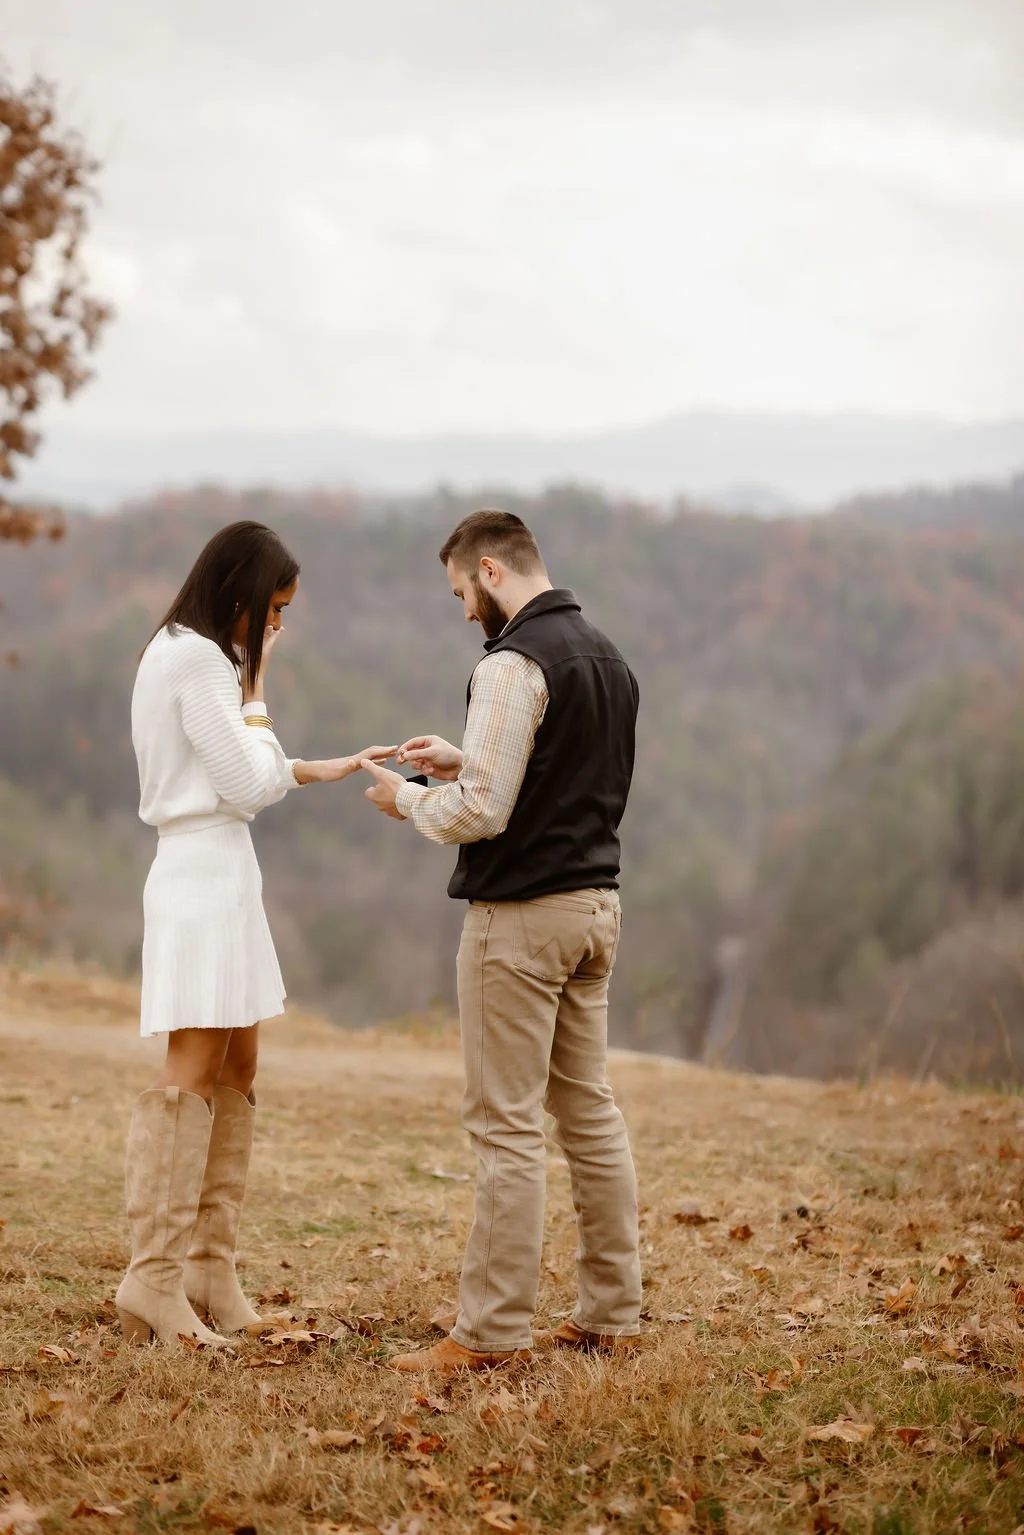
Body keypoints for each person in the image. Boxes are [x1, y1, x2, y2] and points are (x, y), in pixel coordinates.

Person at [360, 508, 642, 1374]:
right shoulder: (608, 658)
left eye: (460, 592)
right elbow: (554, 773)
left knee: (505, 1125)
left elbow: (482, 811)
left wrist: (407, 798)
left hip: (520, 919)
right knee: (587, 1112)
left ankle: (488, 1333)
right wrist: (463, 755)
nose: (463, 611)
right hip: (595, 909)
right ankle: (611, 1312)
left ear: (490, 570)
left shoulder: (512, 663)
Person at [116, 520, 395, 1347]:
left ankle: (210, 1266)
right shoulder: (199, 659)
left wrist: (310, 767)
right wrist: (259, 687)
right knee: (193, 1069)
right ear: (239, 591)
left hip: (225, 872)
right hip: (201, 875)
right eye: (273, 608)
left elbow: (237, 772)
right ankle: (153, 1279)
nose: (276, 624)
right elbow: (242, 782)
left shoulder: (186, 651)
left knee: (238, 1063)